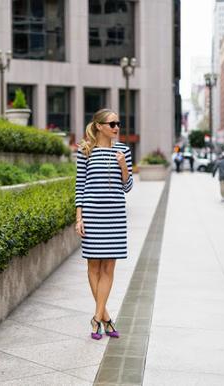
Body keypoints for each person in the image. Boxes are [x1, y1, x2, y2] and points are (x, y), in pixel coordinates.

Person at [74, 108, 133, 340]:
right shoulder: (85, 151)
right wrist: (79, 218)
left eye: (118, 123)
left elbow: (127, 188)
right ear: (99, 126)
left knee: (109, 267)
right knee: (93, 267)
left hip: (115, 215)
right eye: (111, 124)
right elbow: (80, 187)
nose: (116, 127)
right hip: (92, 214)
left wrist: (124, 167)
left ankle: (97, 318)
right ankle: (105, 317)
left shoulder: (123, 151)